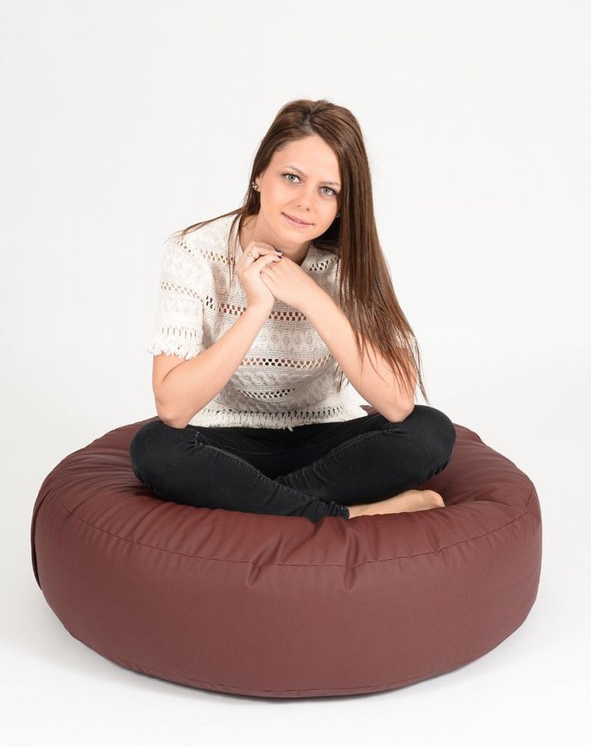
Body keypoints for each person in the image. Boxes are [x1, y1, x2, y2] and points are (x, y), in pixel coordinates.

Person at [130, 99, 455, 522]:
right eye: (291, 177)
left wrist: (311, 297)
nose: (306, 203)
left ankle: (264, 506)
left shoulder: (348, 263)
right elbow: (173, 408)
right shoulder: (193, 252)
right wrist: (257, 308)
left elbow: (396, 403)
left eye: (327, 190)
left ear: (343, 203)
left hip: (325, 439)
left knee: (430, 432)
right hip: (224, 440)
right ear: (259, 176)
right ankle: (347, 514)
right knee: (155, 448)